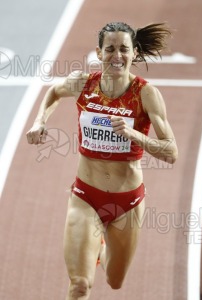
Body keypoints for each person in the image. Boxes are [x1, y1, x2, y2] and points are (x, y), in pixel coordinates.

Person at [26, 22, 178, 300]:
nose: (116, 56)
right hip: (86, 195)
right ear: (99, 51)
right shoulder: (83, 83)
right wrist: (39, 122)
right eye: (110, 49)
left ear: (134, 53)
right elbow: (52, 93)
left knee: (115, 280)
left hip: (127, 202)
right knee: (80, 285)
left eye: (123, 49)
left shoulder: (146, 94)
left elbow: (171, 152)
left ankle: (100, 248)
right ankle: (90, 242)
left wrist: (133, 134)